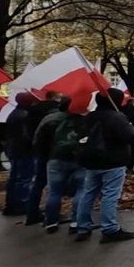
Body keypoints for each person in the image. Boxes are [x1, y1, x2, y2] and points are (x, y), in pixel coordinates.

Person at [75, 89, 134, 243]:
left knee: (88, 193)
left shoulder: (90, 117)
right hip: (112, 161)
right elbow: (130, 136)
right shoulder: (116, 117)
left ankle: (83, 226)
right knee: (110, 195)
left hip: (92, 161)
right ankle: (110, 229)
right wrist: (130, 126)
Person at [42, 98, 86, 234]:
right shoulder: (85, 121)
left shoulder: (50, 119)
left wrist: (45, 155)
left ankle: (51, 221)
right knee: (81, 190)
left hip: (56, 158)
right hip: (79, 159)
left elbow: (40, 139)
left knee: (54, 191)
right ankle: (76, 221)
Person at [24, 91, 62, 225]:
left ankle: (32, 213)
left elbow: (32, 133)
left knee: (37, 184)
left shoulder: (33, 111)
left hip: (40, 152)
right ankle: (52, 215)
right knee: (54, 187)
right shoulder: (58, 113)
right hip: (56, 153)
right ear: (56, 98)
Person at [3, 92, 38, 217]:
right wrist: (34, 143)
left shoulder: (13, 114)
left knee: (14, 178)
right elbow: (25, 136)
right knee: (24, 178)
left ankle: (10, 204)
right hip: (24, 151)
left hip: (13, 149)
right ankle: (22, 205)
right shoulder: (25, 115)